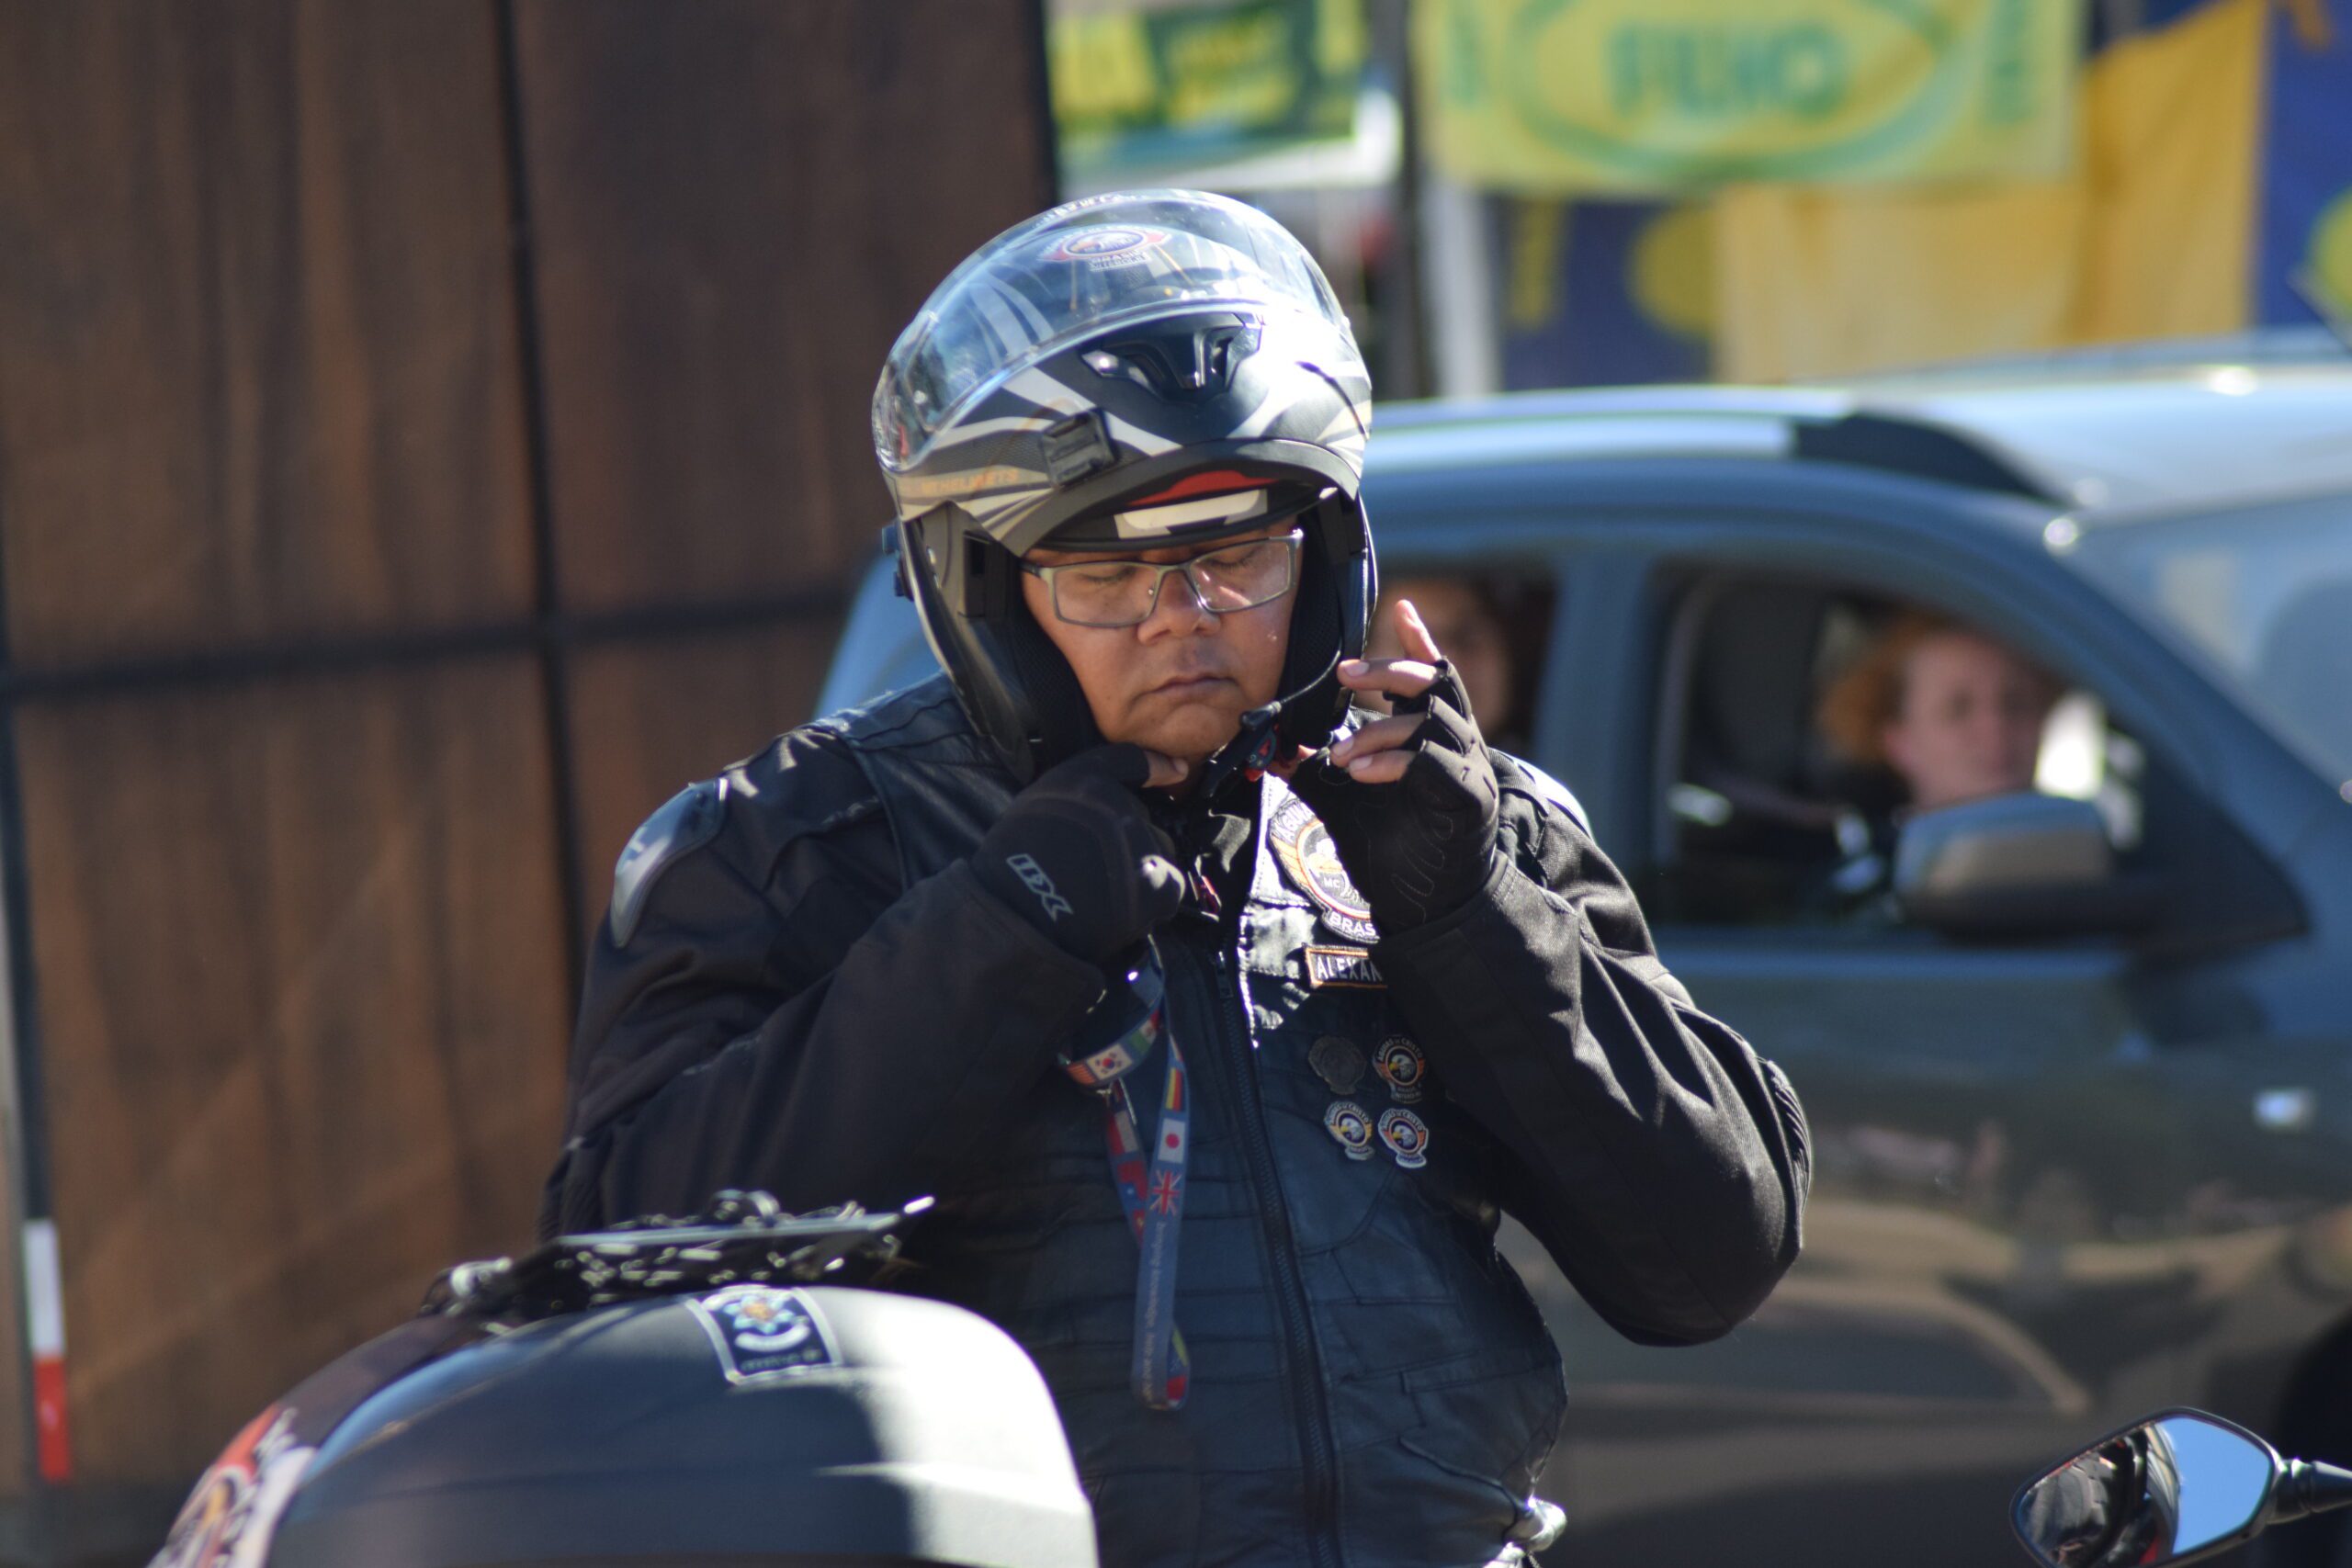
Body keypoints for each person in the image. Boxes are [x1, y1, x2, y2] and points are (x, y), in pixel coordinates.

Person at [540, 189, 1810, 1568]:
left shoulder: (1455, 818)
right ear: (987, 592)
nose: (1188, 623)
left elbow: (1711, 1258)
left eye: (1237, 555)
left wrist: (1469, 909)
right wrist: (1003, 927)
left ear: (1322, 552)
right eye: (1107, 574)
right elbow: (626, 1268)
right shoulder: (790, 848)